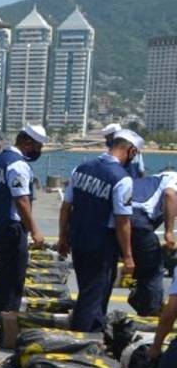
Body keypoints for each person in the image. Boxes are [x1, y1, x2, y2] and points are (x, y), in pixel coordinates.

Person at [58, 130, 138, 333]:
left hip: (78, 238)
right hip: (101, 243)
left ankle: (95, 330)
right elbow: (122, 221)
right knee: (94, 294)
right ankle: (82, 342)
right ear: (130, 151)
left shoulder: (81, 168)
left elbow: (66, 206)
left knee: (89, 290)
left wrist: (62, 237)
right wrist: (128, 256)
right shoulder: (122, 178)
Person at [0, 125, 49, 339]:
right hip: (11, 228)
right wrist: (35, 231)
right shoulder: (17, 166)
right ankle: (7, 328)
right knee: (13, 280)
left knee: (3, 277)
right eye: (37, 146)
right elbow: (21, 202)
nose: (38, 151)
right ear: (28, 143)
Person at [127, 171, 177, 316]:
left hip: (119, 218)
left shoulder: (153, 180)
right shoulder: (174, 179)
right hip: (139, 220)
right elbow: (170, 195)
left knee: (142, 261)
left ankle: (140, 298)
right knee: (153, 270)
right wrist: (168, 232)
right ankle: (150, 313)